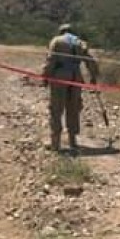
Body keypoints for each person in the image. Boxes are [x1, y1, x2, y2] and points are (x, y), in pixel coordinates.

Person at [42, 23, 99, 151]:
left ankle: (55, 143)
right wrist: (93, 77)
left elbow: (50, 60)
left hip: (60, 76)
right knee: (73, 108)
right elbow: (90, 60)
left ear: (61, 31)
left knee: (56, 109)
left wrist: (45, 76)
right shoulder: (79, 42)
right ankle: (72, 140)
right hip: (76, 77)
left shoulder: (57, 41)